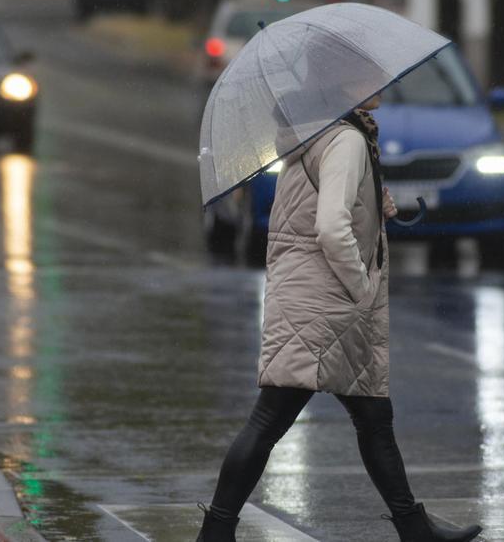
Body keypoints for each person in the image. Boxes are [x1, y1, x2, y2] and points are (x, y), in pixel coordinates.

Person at [197, 95, 483, 542]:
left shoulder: (314, 131)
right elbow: (330, 227)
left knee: (372, 418)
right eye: (370, 78)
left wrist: (372, 201)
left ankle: (413, 527)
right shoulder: (346, 138)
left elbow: (315, 203)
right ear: (346, 88)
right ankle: (215, 531)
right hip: (325, 303)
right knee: (272, 419)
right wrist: (361, 285)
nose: (384, 86)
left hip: (307, 296)